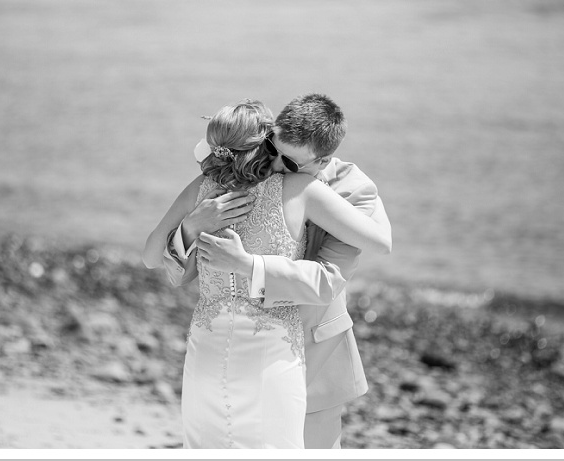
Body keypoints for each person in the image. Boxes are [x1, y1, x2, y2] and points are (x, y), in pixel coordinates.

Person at [142, 98, 390, 449]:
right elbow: (154, 255)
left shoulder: (341, 186)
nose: (274, 162)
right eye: (271, 147)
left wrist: (248, 265)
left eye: (288, 161)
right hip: (224, 348)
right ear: (268, 134)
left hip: (308, 343)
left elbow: (345, 268)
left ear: (319, 161)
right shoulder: (216, 186)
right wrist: (193, 224)